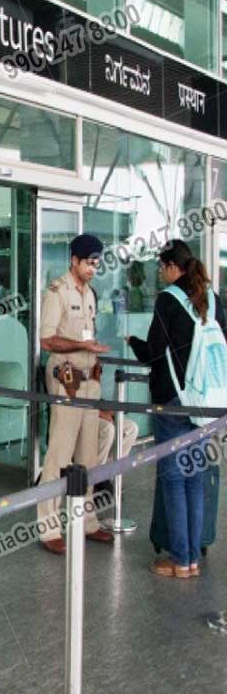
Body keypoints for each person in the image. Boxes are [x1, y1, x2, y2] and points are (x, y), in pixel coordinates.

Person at [128, 239, 227, 578]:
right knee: (195, 478)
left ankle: (180, 560)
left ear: (173, 267)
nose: (159, 272)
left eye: (161, 267)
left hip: (172, 403)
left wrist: (132, 343)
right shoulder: (212, 300)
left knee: (173, 480)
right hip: (207, 403)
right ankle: (194, 559)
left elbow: (154, 353)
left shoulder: (168, 301)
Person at [38, 234, 115, 554]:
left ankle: (87, 522)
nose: (93, 268)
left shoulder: (91, 293)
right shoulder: (57, 292)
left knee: (87, 457)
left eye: (96, 263)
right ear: (74, 260)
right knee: (58, 456)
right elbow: (47, 340)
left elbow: (90, 335)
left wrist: (93, 358)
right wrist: (82, 346)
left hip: (89, 381)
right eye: (88, 262)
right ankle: (48, 528)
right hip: (66, 380)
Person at [93, 410, 139, 498]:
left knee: (132, 427)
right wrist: (100, 413)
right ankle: (97, 478)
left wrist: (110, 411)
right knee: (108, 428)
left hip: (99, 410)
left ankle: (110, 473)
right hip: (85, 415)